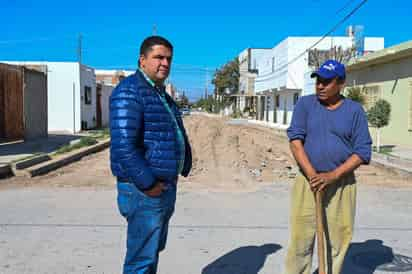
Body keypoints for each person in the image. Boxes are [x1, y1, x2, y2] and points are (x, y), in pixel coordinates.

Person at [109, 36, 192, 274]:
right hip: (143, 190)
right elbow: (124, 146)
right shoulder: (130, 91)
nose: (165, 63)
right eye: (158, 57)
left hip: (161, 186)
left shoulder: (158, 93)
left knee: (151, 252)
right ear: (142, 60)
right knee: (141, 260)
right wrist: (148, 184)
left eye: (168, 59)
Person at [283, 60, 372, 274]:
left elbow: (362, 151)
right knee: (300, 240)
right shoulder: (305, 104)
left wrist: (332, 175)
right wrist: (313, 175)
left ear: (341, 83)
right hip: (308, 182)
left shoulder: (354, 111)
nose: (320, 86)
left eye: (326, 81)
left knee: (338, 240)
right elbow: (295, 141)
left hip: (341, 183)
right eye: (318, 81)